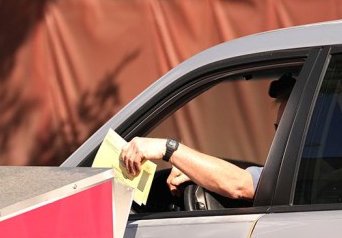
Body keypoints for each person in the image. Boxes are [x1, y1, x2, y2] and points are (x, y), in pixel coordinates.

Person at [119, 73, 295, 201]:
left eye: (286, 130)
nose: (279, 136)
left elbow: (242, 185)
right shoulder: (303, 172)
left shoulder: (313, 176)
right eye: (277, 128)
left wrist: (169, 149)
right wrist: (195, 168)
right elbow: (260, 172)